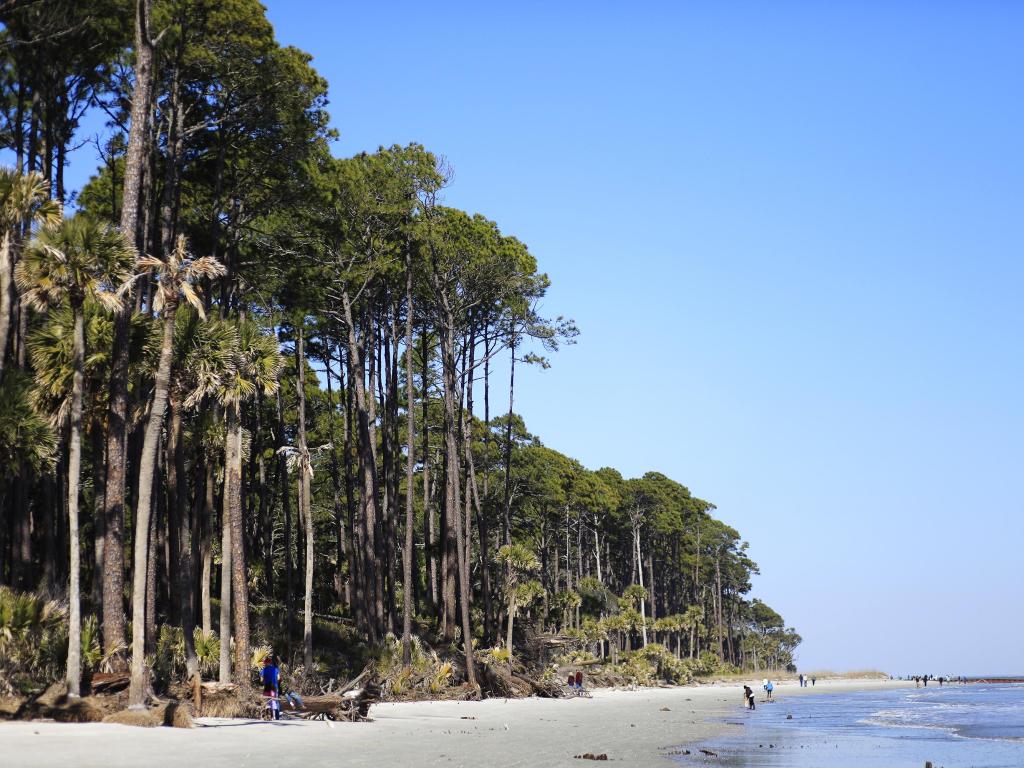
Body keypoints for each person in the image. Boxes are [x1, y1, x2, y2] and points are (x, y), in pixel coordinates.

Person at [260, 655, 281, 720]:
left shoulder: (263, 670)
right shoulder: (275, 669)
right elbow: (278, 678)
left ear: (265, 663)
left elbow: (261, 680)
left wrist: (264, 681)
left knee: (266, 701)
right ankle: (276, 717)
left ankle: (268, 716)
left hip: (267, 687)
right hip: (274, 687)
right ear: (270, 662)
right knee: (274, 701)